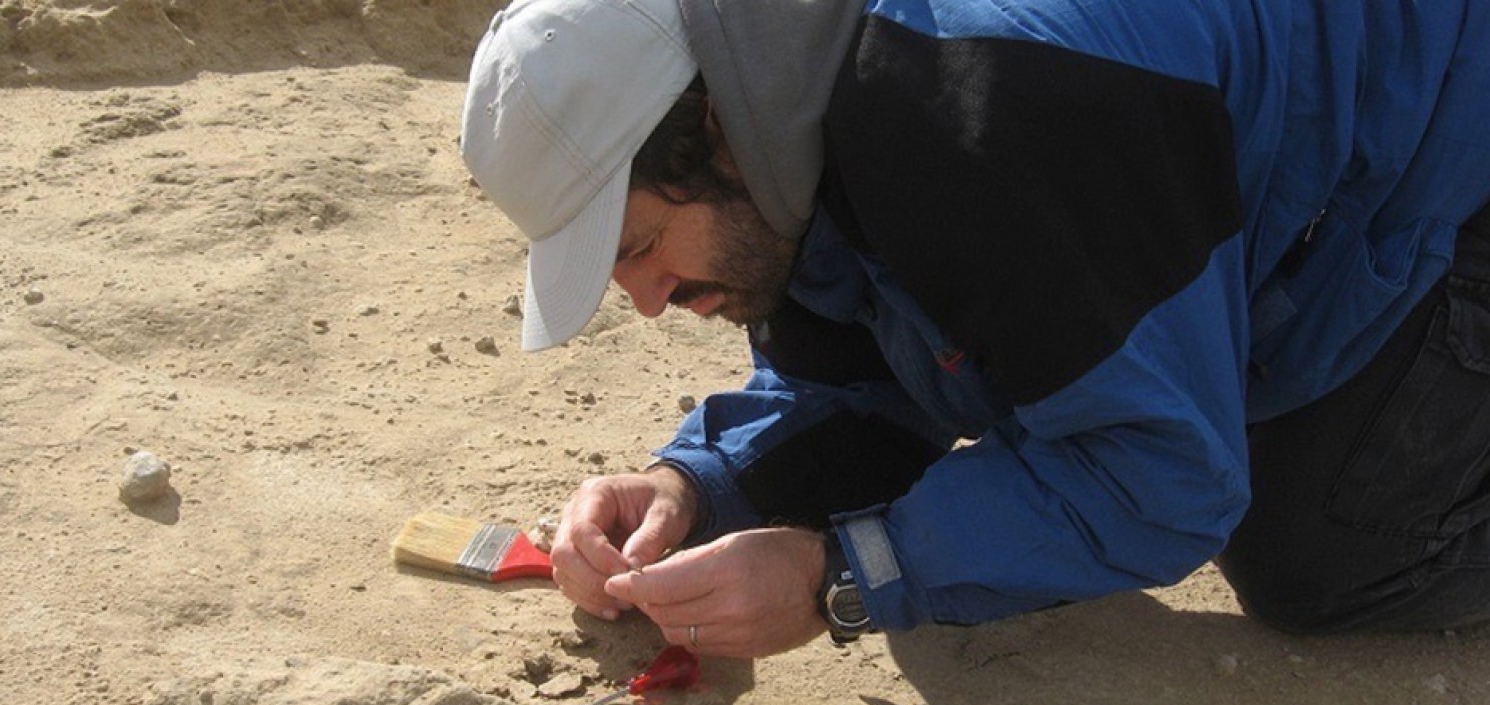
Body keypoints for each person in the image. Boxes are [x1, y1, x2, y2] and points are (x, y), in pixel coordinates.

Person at [459, 0, 1490, 658]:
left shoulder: (988, 116)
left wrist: (840, 581)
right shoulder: (793, 95)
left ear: (717, 128)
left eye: (638, 247)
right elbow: (876, 366)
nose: (644, 302)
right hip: (1285, 169)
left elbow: (1167, 481)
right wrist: (699, 488)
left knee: (1320, 552)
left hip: (1452, 161)